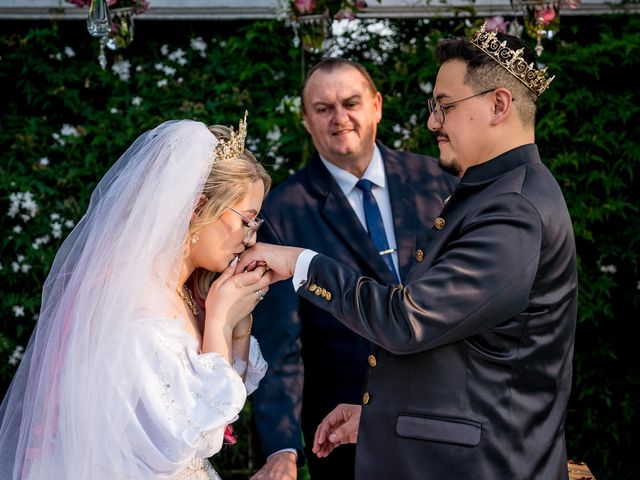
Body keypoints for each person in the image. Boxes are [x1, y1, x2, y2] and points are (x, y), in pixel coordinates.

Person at [239, 24, 577, 480]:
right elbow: (467, 351)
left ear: (499, 105)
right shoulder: (488, 192)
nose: (432, 121)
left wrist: (301, 262)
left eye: (445, 106)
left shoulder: (511, 209)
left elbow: (409, 320)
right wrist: (382, 416)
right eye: (432, 106)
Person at [0, 115, 274, 479]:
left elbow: (223, 395)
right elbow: (191, 435)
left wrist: (235, 326)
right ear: (199, 207)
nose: (251, 237)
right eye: (246, 219)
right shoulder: (138, 308)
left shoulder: (185, 290)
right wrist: (221, 319)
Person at [250, 57, 457, 480]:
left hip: (450, 420)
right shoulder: (281, 213)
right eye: (323, 109)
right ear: (307, 120)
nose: (340, 118)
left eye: (351, 102)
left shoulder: (436, 180)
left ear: (377, 106)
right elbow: (280, 346)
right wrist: (283, 448)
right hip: (349, 438)